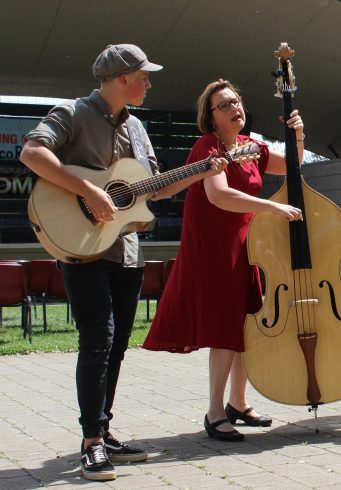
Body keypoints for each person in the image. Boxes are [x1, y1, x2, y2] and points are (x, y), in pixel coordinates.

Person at [19, 44, 223, 481]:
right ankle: (91, 443)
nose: (149, 83)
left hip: (127, 251)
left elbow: (152, 189)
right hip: (83, 247)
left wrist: (202, 171)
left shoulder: (138, 128)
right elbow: (32, 154)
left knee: (115, 347)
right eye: (144, 76)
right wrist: (90, 191)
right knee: (98, 340)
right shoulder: (72, 113)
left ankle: (104, 431)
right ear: (122, 78)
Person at [142, 79, 304, 440]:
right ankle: (215, 412)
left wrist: (298, 134)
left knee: (245, 325)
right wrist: (272, 207)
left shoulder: (250, 146)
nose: (234, 109)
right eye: (224, 105)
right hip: (215, 246)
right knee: (224, 329)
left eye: (236, 102)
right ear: (211, 117)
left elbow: (292, 164)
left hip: (248, 246)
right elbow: (220, 197)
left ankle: (238, 403)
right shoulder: (207, 145)